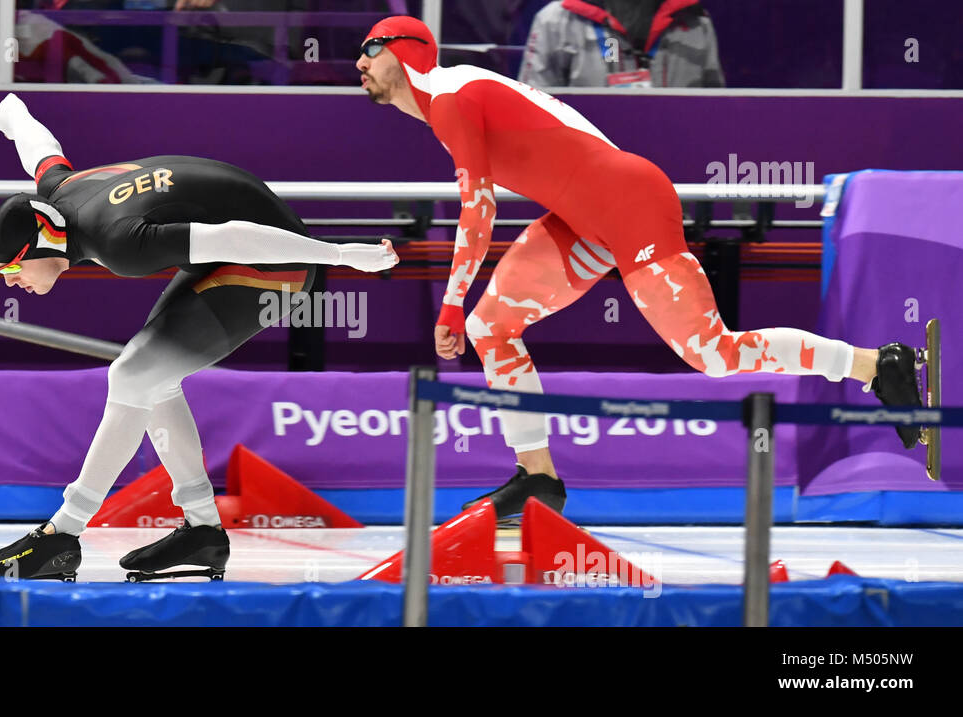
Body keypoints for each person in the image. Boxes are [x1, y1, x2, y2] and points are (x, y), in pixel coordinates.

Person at [355, 16, 927, 521]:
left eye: (371, 46)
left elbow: (479, 208)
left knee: (713, 353)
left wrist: (450, 301)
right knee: (491, 328)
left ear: (405, 49)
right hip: (582, 215)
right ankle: (538, 479)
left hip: (628, 204)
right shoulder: (450, 100)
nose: (359, 60)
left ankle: (878, 366)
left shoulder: (451, 95)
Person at [0, 94, 398, 581]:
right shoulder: (58, 193)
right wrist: (14, 117)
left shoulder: (118, 240)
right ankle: (203, 531)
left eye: (12, 268)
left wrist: (340, 255)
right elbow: (42, 152)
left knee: (132, 375)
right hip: (230, 245)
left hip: (273, 255)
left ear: (44, 239)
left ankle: (61, 535)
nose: (10, 282)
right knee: (152, 379)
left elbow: (236, 237)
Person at [518, 0, 724, 88]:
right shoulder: (555, 22)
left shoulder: (697, 24)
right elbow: (529, 116)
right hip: (584, 169)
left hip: (674, 167)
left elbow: (714, 114)